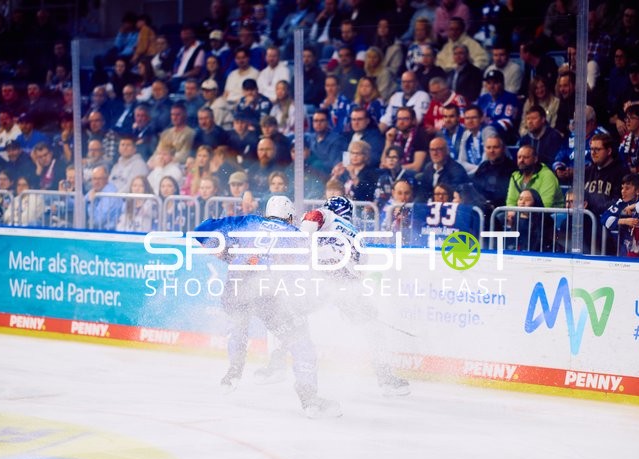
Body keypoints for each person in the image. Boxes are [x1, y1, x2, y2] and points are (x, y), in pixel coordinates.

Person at [194, 195, 342, 418]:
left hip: (235, 289)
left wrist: (230, 255)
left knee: (238, 328)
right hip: (268, 296)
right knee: (301, 344)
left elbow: (201, 231)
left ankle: (232, 374)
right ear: (290, 218)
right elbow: (307, 276)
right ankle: (309, 400)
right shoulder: (297, 236)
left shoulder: (248, 222)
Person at [253, 195, 410, 396]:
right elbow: (359, 273)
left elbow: (302, 236)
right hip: (343, 284)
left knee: (291, 320)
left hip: (316, 278)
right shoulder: (357, 235)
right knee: (373, 328)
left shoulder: (323, 214)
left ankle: (276, 365)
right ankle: (386, 377)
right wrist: (352, 303)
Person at [600, 173, 639, 258]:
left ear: (638, 191)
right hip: (626, 251)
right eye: (622, 188)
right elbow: (604, 218)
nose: (622, 191)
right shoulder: (620, 203)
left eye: (627, 188)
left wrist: (635, 206)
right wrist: (624, 221)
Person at [505, 145, 564, 226]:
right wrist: (511, 214)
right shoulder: (515, 176)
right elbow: (511, 201)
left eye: (525, 157)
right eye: (519, 157)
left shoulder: (547, 175)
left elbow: (545, 205)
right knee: (499, 219)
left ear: (535, 159)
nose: (521, 160)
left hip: (549, 217)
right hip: (522, 214)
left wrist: (521, 215)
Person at [584, 133, 625, 219]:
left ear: (609, 151)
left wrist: (592, 210)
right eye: (591, 149)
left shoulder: (621, 172)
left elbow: (618, 200)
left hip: (608, 220)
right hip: (586, 219)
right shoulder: (587, 171)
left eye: (597, 149)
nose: (593, 153)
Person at [416, 136, 468, 202]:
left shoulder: (457, 171)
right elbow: (422, 192)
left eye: (438, 149)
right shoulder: (428, 168)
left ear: (446, 150)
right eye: (432, 150)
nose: (434, 153)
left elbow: (452, 194)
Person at [476, 69, 519, 146]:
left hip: (503, 136)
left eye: (495, 83)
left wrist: (488, 126)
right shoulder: (483, 98)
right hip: (482, 133)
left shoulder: (510, 98)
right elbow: (476, 117)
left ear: (502, 84)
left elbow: (508, 122)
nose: (491, 86)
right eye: (489, 83)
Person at [506, 189, 553, 253]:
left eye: (527, 200)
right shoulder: (513, 219)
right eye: (520, 199)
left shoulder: (545, 221)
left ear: (535, 202)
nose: (522, 202)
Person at [86, 166, 122, 231]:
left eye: (99, 179)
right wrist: (66, 195)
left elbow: (98, 221)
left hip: (109, 233)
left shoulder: (110, 194)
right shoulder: (96, 190)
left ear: (106, 179)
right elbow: (80, 203)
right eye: (94, 179)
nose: (96, 182)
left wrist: (91, 202)